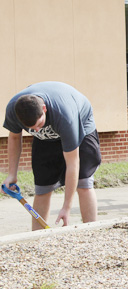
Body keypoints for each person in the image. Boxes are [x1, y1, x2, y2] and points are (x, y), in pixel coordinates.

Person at [2, 81, 101, 231]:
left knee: (83, 181)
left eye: (38, 124)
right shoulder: (13, 109)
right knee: (43, 186)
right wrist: (11, 174)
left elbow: (73, 163)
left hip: (81, 125)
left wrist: (66, 207)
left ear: (44, 109)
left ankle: (90, 232)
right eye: (30, 128)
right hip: (47, 137)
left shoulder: (65, 116)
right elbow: (15, 138)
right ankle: (37, 238)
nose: (35, 130)